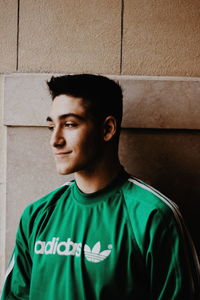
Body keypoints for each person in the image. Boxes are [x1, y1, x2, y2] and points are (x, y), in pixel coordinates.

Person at [1, 74, 199, 299]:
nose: (54, 140)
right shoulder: (37, 215)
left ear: (107, 129)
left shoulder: (154, 216)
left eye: (69, 124)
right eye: (51, 126)